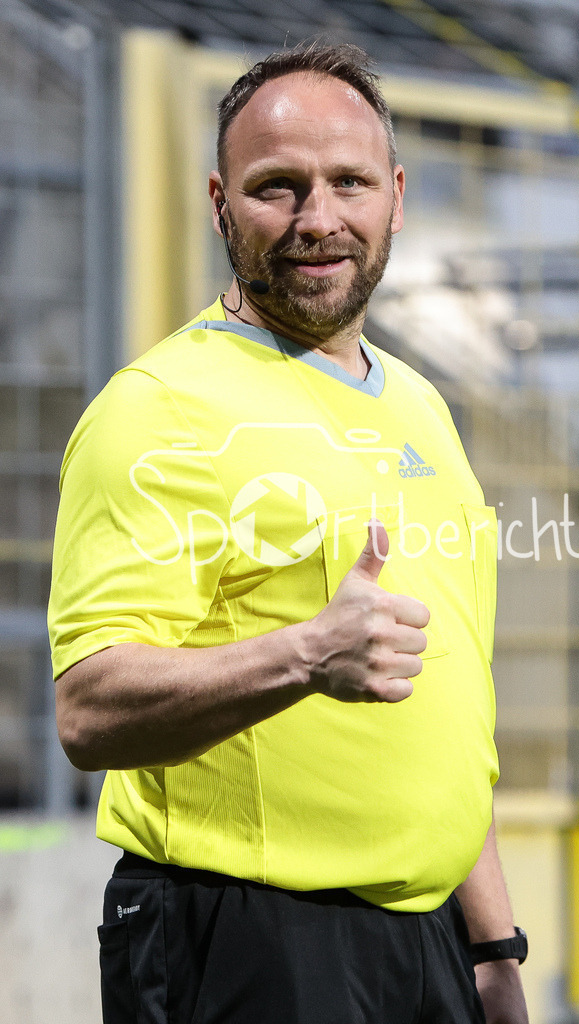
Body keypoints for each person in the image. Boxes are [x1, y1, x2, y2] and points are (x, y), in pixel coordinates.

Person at [48, 43, 529, 1024]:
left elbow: (448, 703)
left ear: (395, 197)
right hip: (246, 938)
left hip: (431, 942)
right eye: (278, 186)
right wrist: (307, 654)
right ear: (219, 203)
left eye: (349, 181)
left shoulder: (422, 406)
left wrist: (492, 948)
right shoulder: (157, 407)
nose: (318, 219)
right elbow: (88, 712)